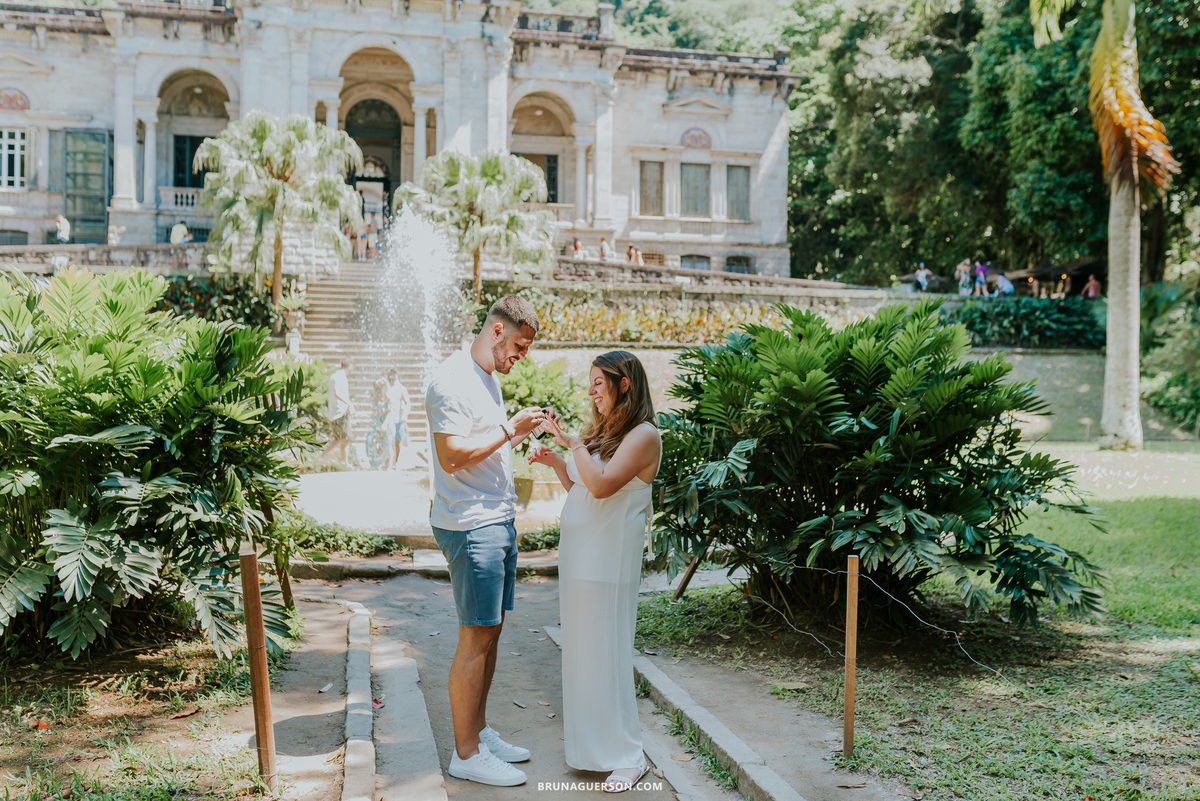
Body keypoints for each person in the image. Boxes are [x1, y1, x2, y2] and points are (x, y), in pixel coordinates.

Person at [426, 295, 551, 787]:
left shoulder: (486, 378)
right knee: (476, 636)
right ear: (497, 330)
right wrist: (509, 428)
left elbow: (484, 446)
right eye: (519, 346)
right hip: (470, 525)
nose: (521, 356)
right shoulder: (450, 379)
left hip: (495, 520)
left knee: (492, 629)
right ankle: (466, 754)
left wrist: (521, 438)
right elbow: (453, 456)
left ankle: (478, 730)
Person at [530, 351, 661, 794]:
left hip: (609, 564)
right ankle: (592, 751)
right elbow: (583, 487)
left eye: (598, 384)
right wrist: (556, 463)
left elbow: (604, 487)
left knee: (608, 655)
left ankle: (628, 755)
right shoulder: (608, 433)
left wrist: (574, 445)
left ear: (624, 384)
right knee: (584, 656)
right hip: (582, 560)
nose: (591, 392)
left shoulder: (644, 436)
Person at [322, 358, 355, 464]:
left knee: (339, 439)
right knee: (344, 439)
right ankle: (345, 463)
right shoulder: (340, 377)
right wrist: (349, 404)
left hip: (334, 413)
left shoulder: (334, 376)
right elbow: (337, 393)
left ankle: (321, 455)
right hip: (339, 413)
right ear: (350, 366)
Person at [387, 368, 411, 468]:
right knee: (388, 441)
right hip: (388, 418)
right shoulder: (386, 387)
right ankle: (388, 462)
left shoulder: (401, 388)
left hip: (399, 419)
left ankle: (395, 462)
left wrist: (405, 415)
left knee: (397, 442)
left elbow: (408, 403)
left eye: (393, 374)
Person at [366, 377, 392, 470]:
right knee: (369, 440)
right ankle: (374, 463)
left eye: (378, 387)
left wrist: (384, 424)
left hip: (385, 422)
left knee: (384, 444)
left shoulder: (388, 396)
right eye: (375, 387)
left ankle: (385, 467)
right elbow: (373, 407)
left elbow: (390, 413)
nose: (376, 389)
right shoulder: (375, 395)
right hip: (376, 421)